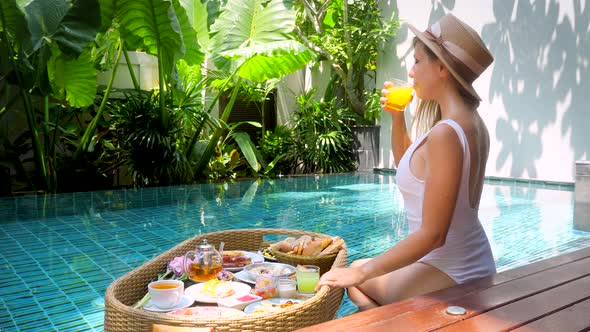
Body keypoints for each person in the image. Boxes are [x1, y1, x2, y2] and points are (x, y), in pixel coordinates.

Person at [316, 13, 497, 311]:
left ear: (441, 68)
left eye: (416, 61)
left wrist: (361, 272)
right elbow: (412, 171)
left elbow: (433, 234)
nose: (410, 73)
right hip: (467, 264)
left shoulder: (445, 134)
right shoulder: (470, 123)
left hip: (454, 274)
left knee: (356, 278)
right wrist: (398, 118)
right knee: (362, 273)